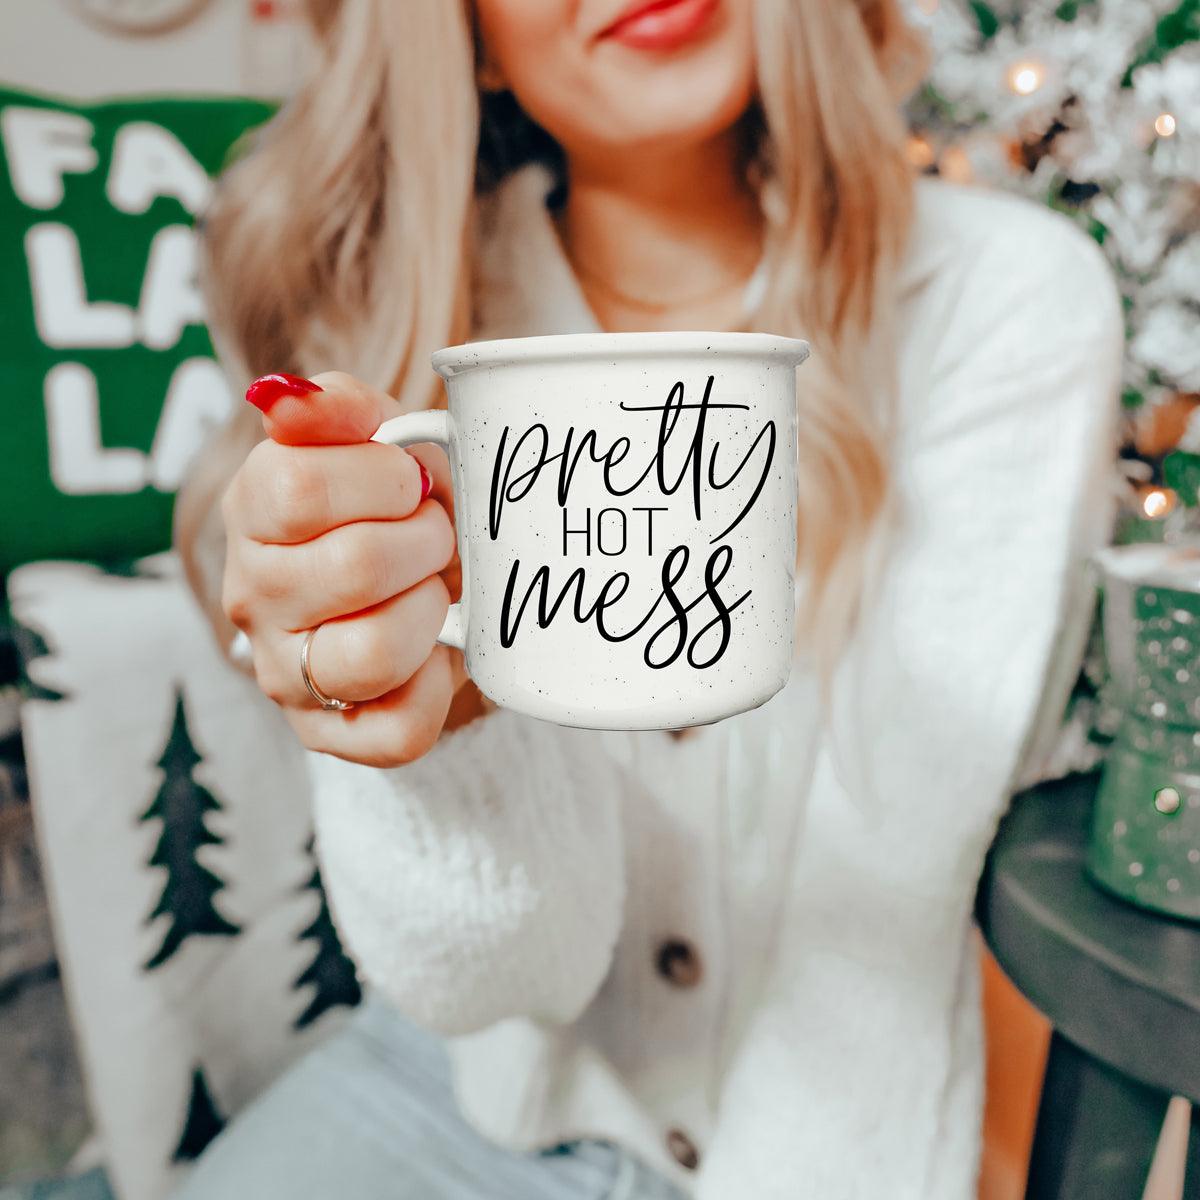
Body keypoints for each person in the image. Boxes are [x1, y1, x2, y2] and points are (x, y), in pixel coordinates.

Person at [171, 0, 1124, 1196]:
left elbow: (881, 900)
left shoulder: (1001, 298)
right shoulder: (410, 307)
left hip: (826, 1142)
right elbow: (499, 983)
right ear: (465, 32)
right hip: (460, 1088)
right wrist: (451, 736)